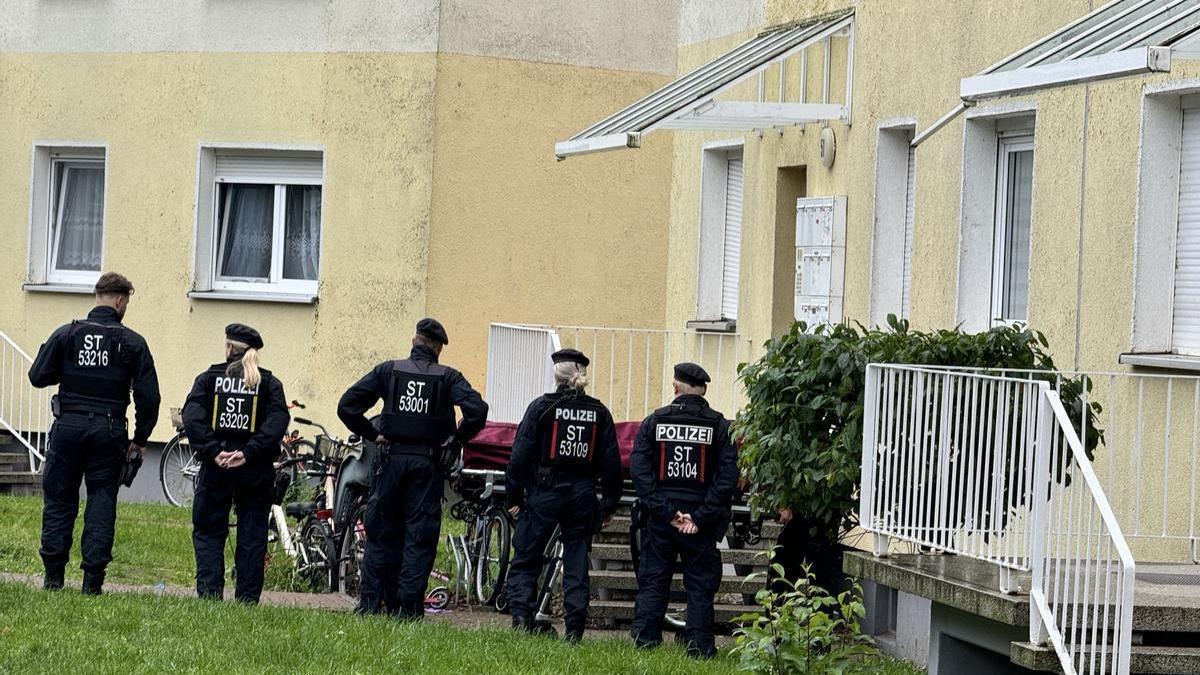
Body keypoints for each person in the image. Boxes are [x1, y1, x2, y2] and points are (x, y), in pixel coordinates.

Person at [337, 318, 488, 620]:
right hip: (426, 466)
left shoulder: (388, 371)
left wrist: (371, 432)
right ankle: (408, 609)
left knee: (382, 534)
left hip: (390, 461)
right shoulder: (448, 377)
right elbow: (477, 410)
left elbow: (347, 405)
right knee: (419, 537)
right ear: (438, 349)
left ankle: (371, 604)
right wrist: (458, 437)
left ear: (413, 341)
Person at [28, 272, 160, 595]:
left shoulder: (67, 334)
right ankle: (92, 583)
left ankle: (54, 579)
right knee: (101, 500)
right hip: (108, 429)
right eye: (126, 302)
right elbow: (149, 397)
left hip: (68, 427)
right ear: (119, 300)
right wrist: (141, 441)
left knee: (59, 500)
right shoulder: (132, 343)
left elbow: (37, 375)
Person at [504, 348, 623, 642]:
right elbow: (611, 464)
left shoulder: (540, 408)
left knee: (527, 555)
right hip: (582, 495)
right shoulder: (599, 412)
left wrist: (513, 498)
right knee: (577, 560)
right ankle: (574, 631)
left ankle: (522, 619)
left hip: (544, 492)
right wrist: (608, 505)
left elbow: (518, 457)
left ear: (556, 374)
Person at [629, 362, 738, 659]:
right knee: (700, 586)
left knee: (654, 581)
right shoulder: (719, 426)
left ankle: (645, 642)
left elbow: (640, 472)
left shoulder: (655, 421)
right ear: (703, 390)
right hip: (699, 523)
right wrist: (700, 517)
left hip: (661, 520)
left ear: (675, 387)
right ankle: (700, 647)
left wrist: (667, 513)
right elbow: (727, 479)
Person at [182, 323, 289, 603]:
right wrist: (249, 452)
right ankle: (247, 600)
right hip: (254, 470)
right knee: (252, 534)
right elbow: (277, 422)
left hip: (216, 469)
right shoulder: (269, 383)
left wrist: (213, 451)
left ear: (229, 348)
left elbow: (192, 416)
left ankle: (209, 595)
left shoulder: (209, 379)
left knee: (208, 531)